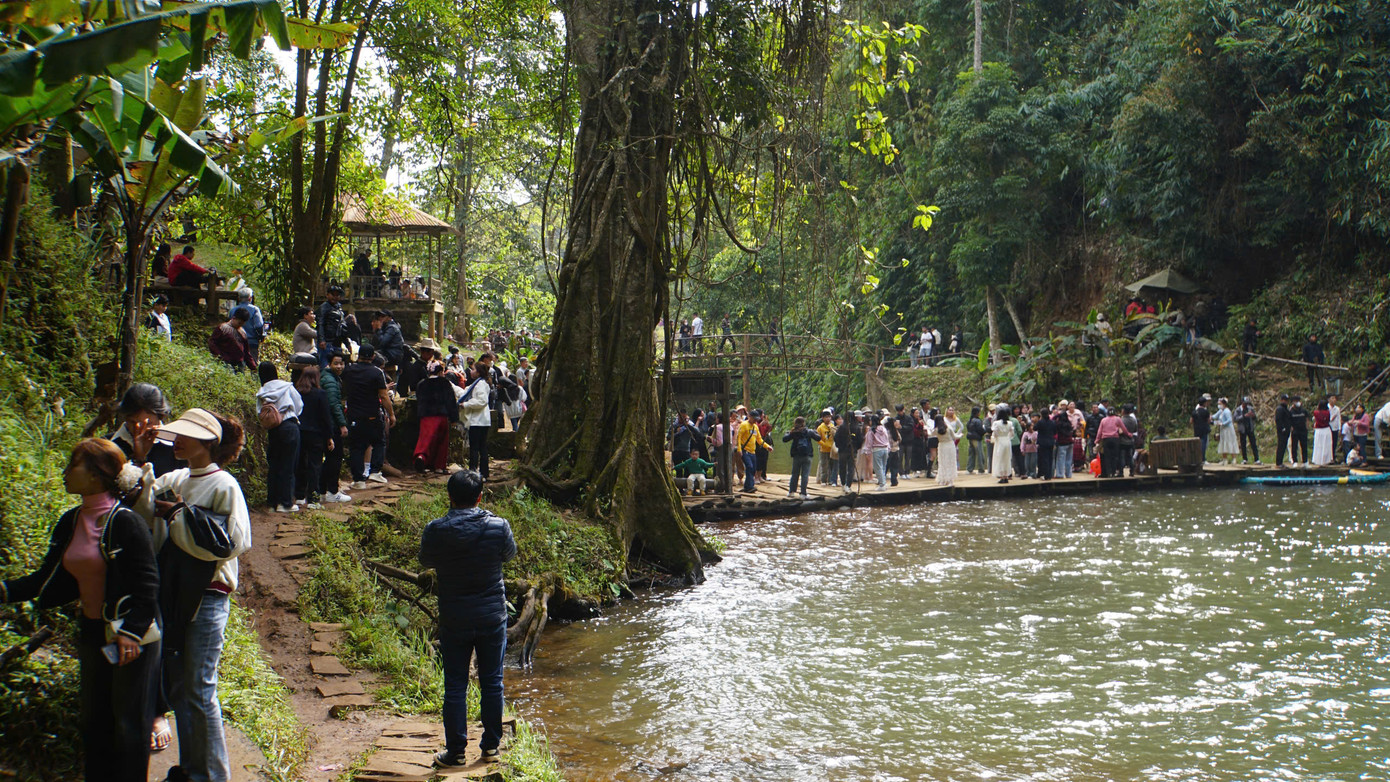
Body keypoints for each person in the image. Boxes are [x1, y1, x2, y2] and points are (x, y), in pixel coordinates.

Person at [1, 439, 161, 782]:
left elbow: (148, 586)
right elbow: (45, 577)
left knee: (129, 723)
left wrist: (131, 633)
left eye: (73, 464)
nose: (65, 471)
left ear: (97, 476)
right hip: (92, 632)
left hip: (129, 636)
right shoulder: (71, 521)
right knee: (95, 719)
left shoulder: (126, 523)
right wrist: (5, 591)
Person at [148, 409, 250, 782]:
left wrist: (179, 515)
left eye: (183, 435)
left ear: (206, 443)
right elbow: (142, 505)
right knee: (182, 687)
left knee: (199, 687)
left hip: (208, 595)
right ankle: (192, 770)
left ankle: (212, 775)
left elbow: (235, 542)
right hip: (177, 593)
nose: (175, 441)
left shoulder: (224, 486)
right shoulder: (175, 477)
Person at [419, 470, 516, 768]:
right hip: (491, 617)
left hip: (455, 617)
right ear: (479, 497)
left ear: (449, 497)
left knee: (456, 685)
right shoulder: (498, 527)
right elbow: (508, 555)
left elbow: (426, 560)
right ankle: (490, 749)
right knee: (492, 683)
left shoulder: (436, 530)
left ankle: (456, 751)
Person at [343, 344, 394, 489]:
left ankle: (358, 480)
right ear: (372, 357)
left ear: (358, 355)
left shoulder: (349, 370)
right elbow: (384, 396)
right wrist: (391, 414)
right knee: (379, 442)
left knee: (356, 448)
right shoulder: (376, 373)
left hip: (354, 417)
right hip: (372, 416)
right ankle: (375, 471)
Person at [256, 362, 303, 513]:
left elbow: (259, 413)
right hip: (289, 426)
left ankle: (272, 503)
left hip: (273, 429)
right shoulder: (287, 387)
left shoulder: (261, 392)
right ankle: (286, 503)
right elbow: (299, 405)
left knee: (274, 464)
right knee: (288, 464)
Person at [291, 365, 333, 509]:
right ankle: (313, 499)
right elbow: (326, 417)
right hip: (316, 434)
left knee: (300, 464)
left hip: (299, 432)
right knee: (314, 465)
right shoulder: (320, 394)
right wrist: (329, 437)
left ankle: (299, 496)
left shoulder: (296, 392)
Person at [319, 352, 352, 504]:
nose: (339, 366)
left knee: (330, 458)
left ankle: (323, 491)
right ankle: (332, 491)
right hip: (332, 424)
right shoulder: (330, 381)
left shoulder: (329, 377)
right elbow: (334, 404)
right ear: (329, 364)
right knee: (335, 457)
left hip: (326, 423)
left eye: (341, 363)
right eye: (336, 363)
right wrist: (342, 424)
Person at [415, 363, 460, 474]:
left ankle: (421, 457)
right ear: (440, 372)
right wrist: (454, 418)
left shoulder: (421, 383)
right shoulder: (444, 383)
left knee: (425, 439)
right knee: (441, 441)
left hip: (426, 416)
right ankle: (439, 466)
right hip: (441, 416)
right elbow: (451, 401)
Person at [461, 358, 494, 481]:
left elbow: (481, 401)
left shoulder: (480, 384)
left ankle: (474, 473)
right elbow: (464, 392)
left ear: (479, 372)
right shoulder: (479, 383)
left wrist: (466, 404)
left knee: (475, 448)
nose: (471, 371)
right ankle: (483, 473)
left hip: (478, 421)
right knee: (481, 447)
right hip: (482, 420)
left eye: (473, 369)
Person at [781, 416, 821, 499]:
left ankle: (791, 492)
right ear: (804, 423)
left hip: (796, 455)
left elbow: (784, 439)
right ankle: (803, 493)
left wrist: (789, 432)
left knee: (795, 474)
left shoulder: (793, 432)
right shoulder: (809, 431)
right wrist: (815, 431)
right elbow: (818, 438)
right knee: (805, 475)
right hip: (807, 455)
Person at [208, 308, 254, 372]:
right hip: (226, 362)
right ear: (234, 318)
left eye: (242, 324)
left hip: (239, 363)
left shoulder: (242, 332)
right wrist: (219, 356)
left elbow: (246, 351)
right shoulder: (222, 328)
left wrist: (253, 367)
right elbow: (212, 343)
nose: (240, 325)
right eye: (239, 323)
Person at [736, 411, 771, 493]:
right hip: (745, 450)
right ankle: (749, 486)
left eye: (756, 419)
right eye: (754, 419)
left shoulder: (755, 427)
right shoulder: (744, 425)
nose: (755, 421)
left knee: (753, 469)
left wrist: (767, 446)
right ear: (749, 417)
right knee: (749, 466)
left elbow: (759, 439)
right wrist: (739, 449)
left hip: (753, 451)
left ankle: (747, 486)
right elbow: (739, 437)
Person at [317, 286, 347, 363]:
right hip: (327, 341)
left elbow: (342, 326)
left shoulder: (339, 308)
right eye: (333, 295)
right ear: (327, 295)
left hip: (337, 341)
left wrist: (347, 342)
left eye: (337, 295)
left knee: (337, 364)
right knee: (325, 364)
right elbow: (320, 323)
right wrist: (322, 339)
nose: (335, 297)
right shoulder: (324, 307)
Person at [236, 289, 265, 363]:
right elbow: (259, 325)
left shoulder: (233, 310)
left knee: (238, 363)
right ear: (250, 298)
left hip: (236, 341)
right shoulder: (255, 309)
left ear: (239, 298)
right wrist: (261, 335)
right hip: (252, 341)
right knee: (253, 362)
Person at [991, 405, 1015, 483]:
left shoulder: (996, 423)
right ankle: (1006, 475)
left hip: (1000, 441)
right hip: (1007, 441)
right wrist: (1007, 437)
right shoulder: (1010, 423)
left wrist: (996, 437)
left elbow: (995, 433)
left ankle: (1001, 476)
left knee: (1000, 458)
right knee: (1007, 458)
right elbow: (1012, 434)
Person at [935, 414, 958, 486]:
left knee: (942, 463)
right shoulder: (948, 428)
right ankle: (950, 480)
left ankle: (942, 480)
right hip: (950, 445)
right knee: (950, 462)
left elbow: (931, 434)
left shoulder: (936, 430)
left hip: (941, 446)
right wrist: (960, 435)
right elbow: (955, 437)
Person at [1236, 397, 1260, 464]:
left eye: (1247, 404)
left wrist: (1253, 416)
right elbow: (1235, 418)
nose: (1246, 405)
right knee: (1243, 444)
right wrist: (1244, 416)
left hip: (1250, 428)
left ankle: (1256, 459)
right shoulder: (1238, 410)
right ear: (1242, 403)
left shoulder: (1250, 408)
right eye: (1244, 403)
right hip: (1242, 429)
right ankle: (1245, 459)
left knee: (1253, 444)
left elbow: (1255, 417)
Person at [1215, 398, 1239, 465]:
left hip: (1228, 429)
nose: (1219, 405)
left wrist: (1223, 423)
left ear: (1224, 404)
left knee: (1230, 442)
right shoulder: (1221, 411)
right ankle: (1224, 459)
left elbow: (1229, 420)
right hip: (1223, 430)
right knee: (1223, 443)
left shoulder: (1227, 411)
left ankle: (1234, 459)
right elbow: (1215, 416)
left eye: (1220, 404)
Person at [1053, 405, 1075, 478]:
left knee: (1061, 459)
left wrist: (1057, 415)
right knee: (1069, 459)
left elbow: (1052, 419)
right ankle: (1069, 474)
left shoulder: (1058, 424)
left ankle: (1060, 474)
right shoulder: (1068, 423)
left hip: (1062, 443)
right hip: (1070, 442)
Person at [816, 410, 836, 485]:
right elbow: (818, 439)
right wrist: (824, 444)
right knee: (824, 465)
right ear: (823, 418)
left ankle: (830, 480)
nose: (828, 419)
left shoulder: (832, 426)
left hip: (832, 449)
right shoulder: (820, 428)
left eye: (829, 417)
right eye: (826, 417)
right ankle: (823, 480)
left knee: (832, 465)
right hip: (823, 449)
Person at [1311, 399, 1334, 466]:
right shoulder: (1328, 412)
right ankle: (1326, 460)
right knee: (1326, 446)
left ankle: (1317, 460)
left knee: (1318, 445)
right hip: (1326, 429)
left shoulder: (1316, 412)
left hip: (1319, 430)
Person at [1288, 396, 1310, 467]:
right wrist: (1291, 428)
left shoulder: (1303, 410)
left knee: (1304, 446)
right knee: (1294, 446)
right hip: (1295, 431)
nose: (1297, 402)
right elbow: (1288, 421)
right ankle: (1295, 461)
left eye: (1298, 400)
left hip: (1303, 431)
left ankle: (1305, 461)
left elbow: (1307, 418)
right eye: (1295, 401)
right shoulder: (1291, 411)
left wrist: (1307, 427)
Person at [1190, 397, 1212, 462]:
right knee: (1203, 445)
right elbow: (1208, 421)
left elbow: (1191, 421)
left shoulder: (1194, 412)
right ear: (1204, 403)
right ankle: (1203, 459)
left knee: (1197, 445)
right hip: (1204, 430)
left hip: (1196, 430)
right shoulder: (1205, 412)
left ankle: (1196, 459)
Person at [965, 407, 985, 473]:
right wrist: (984, 431)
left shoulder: (970, 420)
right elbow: (980, 430)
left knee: (971, 454)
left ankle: (969, 469)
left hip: (971, 438)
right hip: (977, 439)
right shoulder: (978, 421)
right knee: (980, 454)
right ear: (977, 413)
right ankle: (981, 469)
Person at [1274, 394, 1292, 467]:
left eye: (1287, 400)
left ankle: (1280, 462)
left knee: (1284, 446)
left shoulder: (1286, 409)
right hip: (1282, 431)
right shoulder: (1280, 409)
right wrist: (1282, 428)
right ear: (1281, 400)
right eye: (1284, 400)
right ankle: (1278, 462)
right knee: (1281, 446)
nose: (1286, 402)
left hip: (1287, 430)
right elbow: (1278, 419)